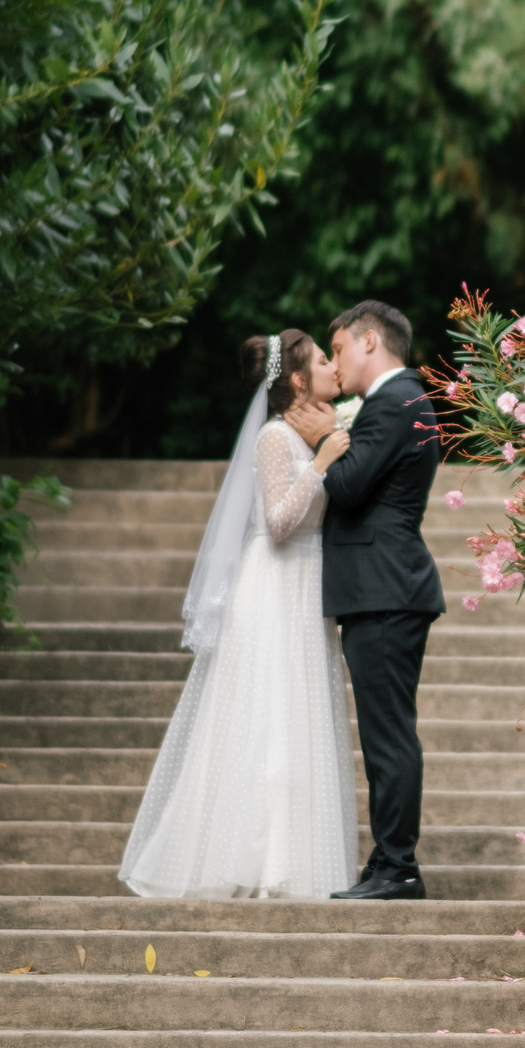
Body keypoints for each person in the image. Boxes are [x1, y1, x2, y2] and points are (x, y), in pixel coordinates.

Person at [116, 329, 358, 899]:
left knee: (300, 718)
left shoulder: (315, 431)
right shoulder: (277, 438)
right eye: (323, 360)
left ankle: (293, 863)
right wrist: (322, 463)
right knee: (270, 716)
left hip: (306, 584)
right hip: (274, 586)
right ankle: (252, 862)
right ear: (298, 380)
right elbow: (276, 523)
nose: (333, 366)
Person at [290, 300, 444, 900]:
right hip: (382, 587)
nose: (335, 362)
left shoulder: (398, 399)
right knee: (387, 731)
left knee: (388, 735)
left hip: (385, 588)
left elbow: (349, 485)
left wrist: (325, 436)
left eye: (340, 349)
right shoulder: (400, 400)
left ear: (370, 342)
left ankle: (397, 866)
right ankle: (388, 861)